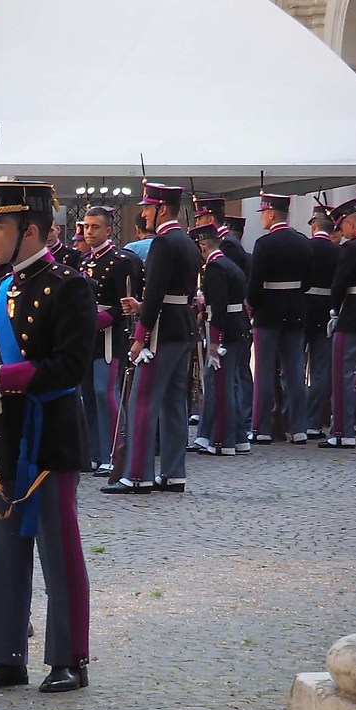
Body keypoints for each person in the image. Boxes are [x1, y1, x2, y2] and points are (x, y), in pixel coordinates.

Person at [0, 182, 95, 693]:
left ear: (28, 230)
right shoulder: (4, 287)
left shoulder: (70, 285)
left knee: (58, 548)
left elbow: (70, 366)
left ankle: (69, 657)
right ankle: (7, 655)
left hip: (49, 432)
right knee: (5, 545)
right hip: (6, 430)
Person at [118, 182, 197, 491]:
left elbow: (155, 293)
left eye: (147, 208)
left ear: (161, 209)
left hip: (162, 332)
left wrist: (140, 337)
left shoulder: (163, 243)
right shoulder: (188, 241)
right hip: (182, 326)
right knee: (176, 403)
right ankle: (174, 472)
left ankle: (137, 475)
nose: (144, 214)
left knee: (143, 401)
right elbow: (176, 292)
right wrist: (144, 305)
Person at [246, 193, 312, 444]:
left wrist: (256, 304)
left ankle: (261, 429)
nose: (262, 217)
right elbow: (307, 280)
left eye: (263, 213)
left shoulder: (264, 244)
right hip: (295, 309)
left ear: (272, 213)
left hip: (268, 312)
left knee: (263, 371)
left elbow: (254, 285)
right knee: (294, 370)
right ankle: (299, 428)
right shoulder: (303, 242)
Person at [79, 204, 138, 476]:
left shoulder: (120, 261)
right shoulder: (84, 262)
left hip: (110, 337)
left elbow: (126, 301)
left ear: (108, 230)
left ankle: (114, 452)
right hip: (87, 334)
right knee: (89, 394)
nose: (89, 232)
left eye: (95, 227)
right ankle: (95, 451)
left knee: (105, 392)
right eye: (86, 227)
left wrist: (108, 317)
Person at [321, 198, 356, 447]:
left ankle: (343, 432)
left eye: (342, 226)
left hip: (352, 314)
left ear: (351, 223)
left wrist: (335, 309)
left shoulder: (351, 249)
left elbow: (339, 284)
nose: (341, 232)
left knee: (343, 374)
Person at [189, 222, 250, 455]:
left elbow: (219, 307)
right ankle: (239, 437)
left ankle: (223, 441)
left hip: (226, 331)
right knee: (231, 384)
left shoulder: (215, 268)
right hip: (238, 327)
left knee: (222, 386)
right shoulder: (229, 264)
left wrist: (215, 340)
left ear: (203, 246)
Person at [299, 206, 341, 441]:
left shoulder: (306, 247)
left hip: (303, 309)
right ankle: (314, 421)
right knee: (321, 370)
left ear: (314, 226)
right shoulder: (338, 251)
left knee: (295, 365)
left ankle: (293, 418)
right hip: (327, 311)